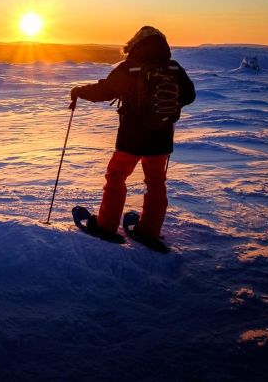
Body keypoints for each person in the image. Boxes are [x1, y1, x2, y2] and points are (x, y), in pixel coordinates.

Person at [70, 26, 195, 248]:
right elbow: (189, 95)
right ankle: (149, 230)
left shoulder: (130, 68)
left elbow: (104, 91)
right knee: (156, 183)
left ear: (136, 43)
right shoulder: (173, 68)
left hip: (131, 138)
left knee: (116, 178)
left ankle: (106, 225)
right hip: (162, 138)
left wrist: (79, 90)